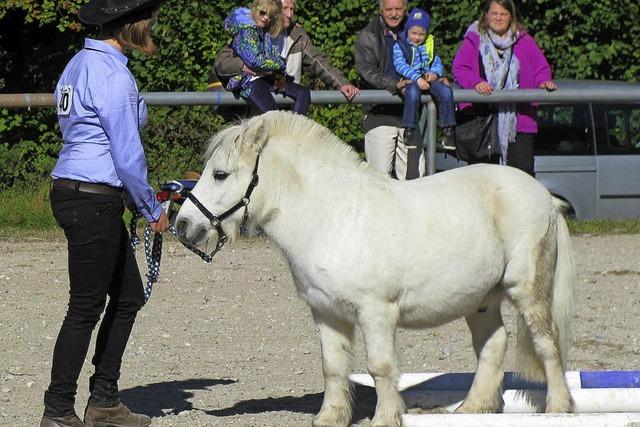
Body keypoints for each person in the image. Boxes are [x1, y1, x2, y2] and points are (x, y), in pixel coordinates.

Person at [42, 0, 170, 426]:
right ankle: (59, 410)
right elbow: (126, 151)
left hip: (77, 191)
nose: (152, 26)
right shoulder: (113, 74)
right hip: (94, 197)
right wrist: (150, 206)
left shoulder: (77, 65)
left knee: (127, 296)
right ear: (126, 25)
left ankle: (104, 402)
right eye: (147, 21)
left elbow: (78, 131)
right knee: (84, 307)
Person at [452, 0, 556, 176]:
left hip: (519, 124)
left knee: (521, 180)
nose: (498, 18)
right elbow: (459, 68)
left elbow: (541, 68)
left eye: (503, 14)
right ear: (486, 15)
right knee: (484, 182)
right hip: (482, 122)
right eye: (494, 13)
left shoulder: (524, 40)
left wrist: (544, 81)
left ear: (511, 17)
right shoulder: (474, 38)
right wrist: (475, 82)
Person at [209, 0, 359, 115]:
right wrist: (243, 66)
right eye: (284, 9)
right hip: (250, 109)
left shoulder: (298, 36)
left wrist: (342, 84)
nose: (289, 14)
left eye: (292, 9)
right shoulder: (254, 29)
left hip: (286, 106)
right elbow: (222, 62)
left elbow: (319, 61)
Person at [355, 0, 426, 180]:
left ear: (405, 9)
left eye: (398, 9)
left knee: (414, 179)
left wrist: (435, 74)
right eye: (389, 9)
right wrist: (394, 84)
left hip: (408, 116)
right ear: (381, 10)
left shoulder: (416, 31)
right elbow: (367, 71)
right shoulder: (368, 35)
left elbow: (428, 58)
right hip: (379, 115)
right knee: (379, 181)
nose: (393, 14)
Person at [221, 0, 311, 115]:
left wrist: (276, 68)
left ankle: (296, 130)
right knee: (274, 115)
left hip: (265, 78)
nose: (265, 18)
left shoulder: (263, 30)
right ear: (254, 10)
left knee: (302, 93)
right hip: (249, 81)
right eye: (262, 13)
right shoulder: (246, 30)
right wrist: (280, 63)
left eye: (270, 16)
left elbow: (269, 55)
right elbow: (254, 61)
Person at [392, 7, 456, 150]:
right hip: (410, 79)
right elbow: (399, 65)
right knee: (413, 93)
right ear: (407, 30)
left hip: (428, 78)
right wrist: (416, 78)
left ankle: (448, 130)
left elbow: (436, 61)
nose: (417, 37)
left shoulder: (429, 44)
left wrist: (435, 73)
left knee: (446, 92)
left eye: (421, 34)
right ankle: (409, 130)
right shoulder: (400, 45)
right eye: (414, 33)